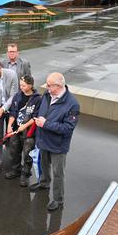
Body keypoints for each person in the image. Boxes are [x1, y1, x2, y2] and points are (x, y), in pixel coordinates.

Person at [31, 72, 80, 212]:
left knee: (58, 173)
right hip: (43, 140)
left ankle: (58, 200)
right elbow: (41, 111)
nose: (46, 87)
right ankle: (44, 183)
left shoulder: (72, 104)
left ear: (58, 86)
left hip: (58, 145)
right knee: (43, 164)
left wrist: (45, 124)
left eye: (49, 85)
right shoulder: (47, 95)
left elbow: (68, 128)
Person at [6, 75, 42, 187]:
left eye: (23, 85)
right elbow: (13, 112)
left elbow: (36, 116)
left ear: (30, 85)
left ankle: (25, 174)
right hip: (16, 131)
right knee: (14, 151)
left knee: (27, 154)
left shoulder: (38, 99)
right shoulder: (17, 96)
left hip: (29, 133)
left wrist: (25, 126)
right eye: (20, 84)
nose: (21, 87)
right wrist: (9, 125)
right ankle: (15, 170)